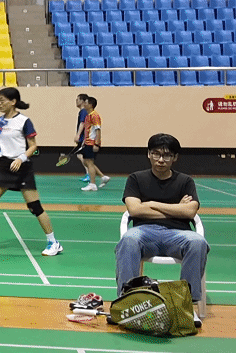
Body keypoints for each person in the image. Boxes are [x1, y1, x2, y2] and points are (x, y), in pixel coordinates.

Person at [116, 133, 208, 327]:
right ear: (148, 154)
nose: (160, 159)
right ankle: (129, 302)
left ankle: (185, 306)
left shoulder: (185, 181)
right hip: (144, 233)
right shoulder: (136, 179)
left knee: (198, 242)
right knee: (128, 239)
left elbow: (190, 211)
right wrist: (176, 209)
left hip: (178, 235)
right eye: (156, 154)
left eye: (166, 155)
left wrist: (152, 204)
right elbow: (134, 210)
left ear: (175, 157)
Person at [0, 88, 62, 256]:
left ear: (13, 101)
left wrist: (21, 158)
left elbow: (33, 146)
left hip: (22, 168)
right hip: (4, 167)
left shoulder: (24, 121)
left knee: (34, 207)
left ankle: (54, 242)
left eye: (2, 100)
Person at [80, 96, 110, 192]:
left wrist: (97, 144)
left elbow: (98, 130)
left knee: (89, 163)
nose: (84, 104)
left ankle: (92, 184)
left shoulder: (95, 116)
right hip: (87, 142)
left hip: (92, 143)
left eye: (86, 103)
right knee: (87, 162)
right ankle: (103, 177)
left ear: (90, 105)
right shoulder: (88, 116)